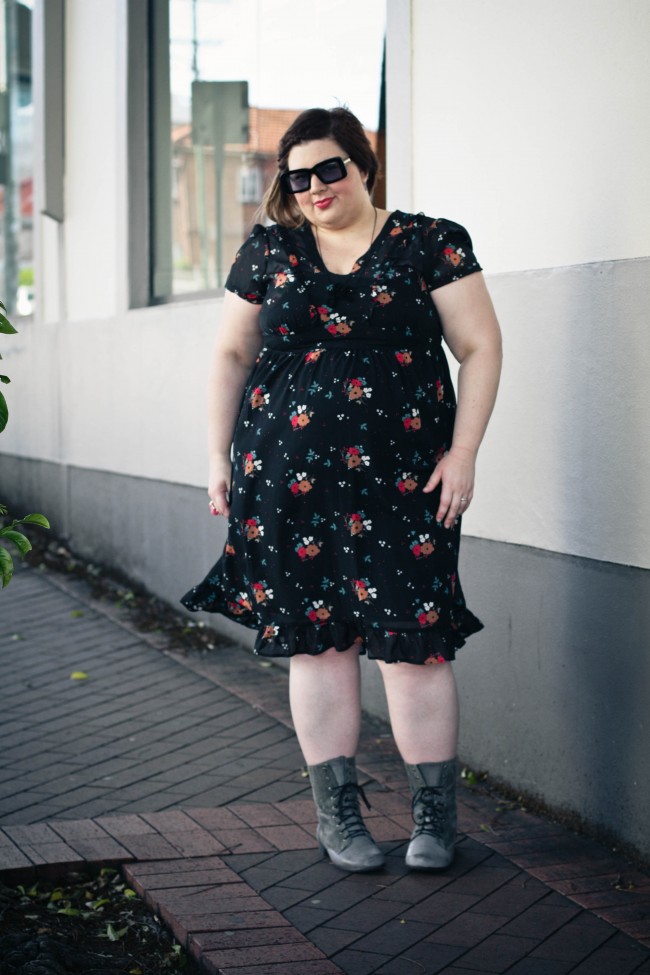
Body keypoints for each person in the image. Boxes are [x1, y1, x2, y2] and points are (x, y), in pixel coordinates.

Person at [182, 107, 502, 873]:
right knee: (318, 648)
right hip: (285, 482)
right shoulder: (271, 249)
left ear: (363, 165)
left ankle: (434, 816)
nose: (318, 186)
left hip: (406, 482)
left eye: (332, 168)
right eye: (300, 177)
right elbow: (232, 353)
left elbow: (480, 345)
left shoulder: (431, 241)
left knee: (415, 647)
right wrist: (217, 456)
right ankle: (339, 817)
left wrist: (464, 453)